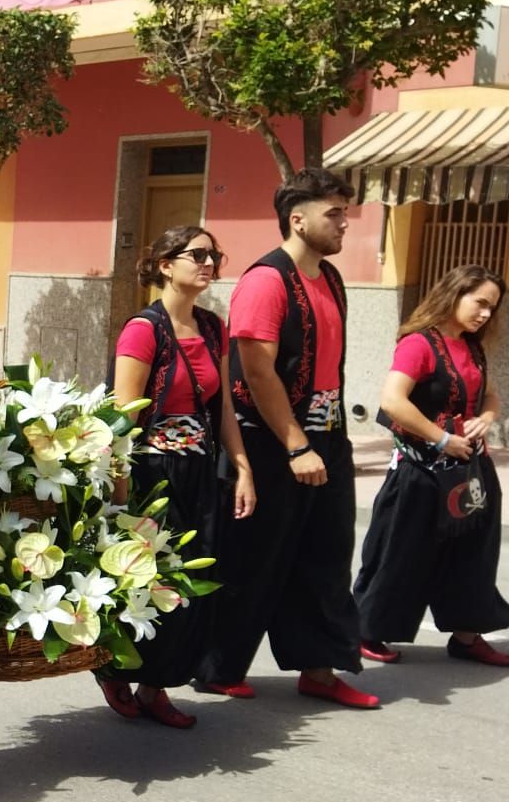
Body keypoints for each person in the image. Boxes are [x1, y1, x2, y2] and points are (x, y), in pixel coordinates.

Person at [198, 168, 377, 709]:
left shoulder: (331, 278)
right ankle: (218, 666)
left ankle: (320, 668)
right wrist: (296, 444)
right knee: (255, 559)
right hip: (274, 441)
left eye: (345, 212)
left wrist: (320, 443)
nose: (345, 223)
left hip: (329, 437)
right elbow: (257, 370)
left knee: (326, 556)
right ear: (297, 219)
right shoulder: (265, 281)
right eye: (334, 213)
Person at [94, 226, 256, 730]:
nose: (209, 263)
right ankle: (116, 671)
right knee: (145, 579)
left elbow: (224, 405)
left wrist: (243, 467)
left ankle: (156, 685)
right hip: (151, 471)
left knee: (191, 581)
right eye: (197, 254)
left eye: (215, 255)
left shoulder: (212, 327)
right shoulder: (144, 329)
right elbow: (123, 415)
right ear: (165, 264)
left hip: (199, 468)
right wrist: (121, 492)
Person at [354, 265, 509, 667]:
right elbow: (393, 400)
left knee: (473, 553)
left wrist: (488, 418)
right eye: (479, 303)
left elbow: (490, 396)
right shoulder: (419, 344)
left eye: (492, 308)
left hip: (470, 470)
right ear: (454, 294)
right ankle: (367, 631)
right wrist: (442, 438)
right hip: (420, 469)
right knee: (400, 552)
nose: (485, 314)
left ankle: (467, 635)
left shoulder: (473, 347)